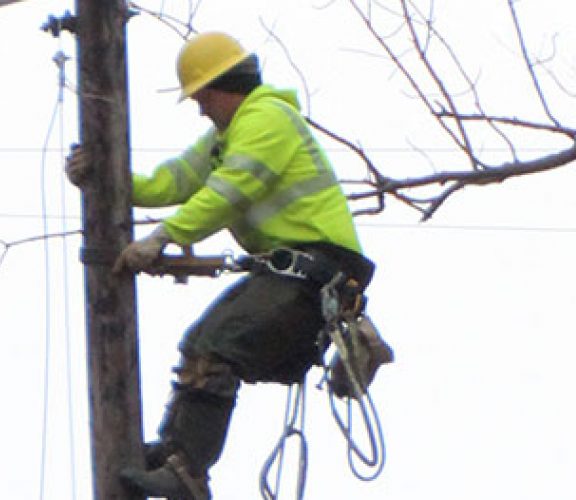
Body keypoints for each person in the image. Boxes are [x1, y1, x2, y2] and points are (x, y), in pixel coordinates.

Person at [66, 31, 376, 499]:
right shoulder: (227, 138)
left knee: (218, 344)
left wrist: (163, 237)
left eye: (201, 97)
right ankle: (177, 453)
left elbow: (230, 193)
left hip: (318, 272)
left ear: (220, 86)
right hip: (291, 273)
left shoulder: (268, 119)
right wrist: (104, 178)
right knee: (199, 343)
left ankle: (188, 470)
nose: (200, 108)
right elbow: (174, 181)